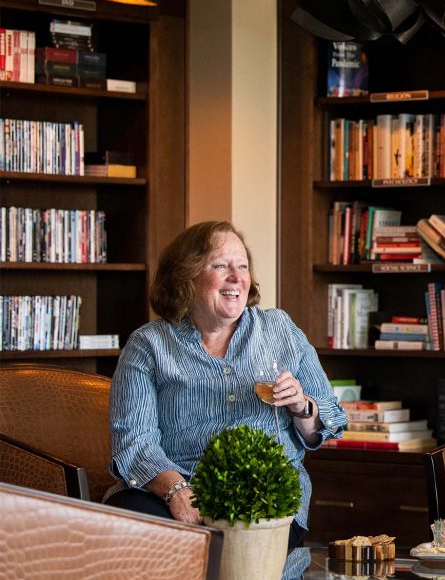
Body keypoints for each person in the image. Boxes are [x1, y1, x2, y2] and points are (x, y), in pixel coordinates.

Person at [105, 221, 346, 550]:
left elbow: (332, 416)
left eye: (243, 265)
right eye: (221, 265)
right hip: (174, 488)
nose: (238, 277)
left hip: (264, 493)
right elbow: (134, 441)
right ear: (186, 277)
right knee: (130, 525)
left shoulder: (279, 329)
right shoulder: (149, 345)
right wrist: (177, 491)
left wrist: (301, 406)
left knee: (239, 549)